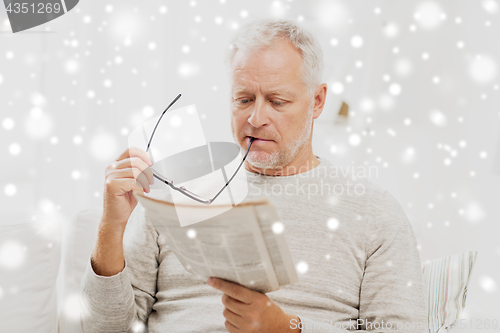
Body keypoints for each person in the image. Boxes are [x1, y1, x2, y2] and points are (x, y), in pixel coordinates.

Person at [81, 19, 428, 332]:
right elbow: (105, 329)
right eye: (244, 99)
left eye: (277, 101)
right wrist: (111, 225)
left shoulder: (374, 211)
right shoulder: (174, 188)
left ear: (318, 101)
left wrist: (288, 328)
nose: (256, 118)